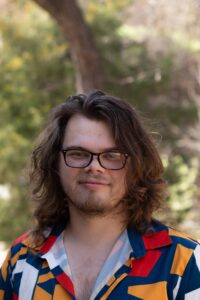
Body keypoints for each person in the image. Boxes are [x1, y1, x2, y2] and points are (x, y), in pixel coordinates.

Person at [0, 90, 200, 300]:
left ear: (136, 166)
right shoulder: (21, 260)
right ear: (55, 163)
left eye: (111, 156)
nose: (94, 167)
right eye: (78, 154)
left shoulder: (184, 263)